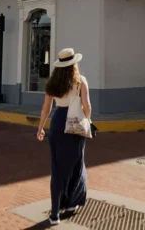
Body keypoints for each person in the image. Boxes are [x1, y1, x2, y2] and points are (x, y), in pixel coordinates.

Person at [37, 48, 92, 226]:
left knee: (57, 169)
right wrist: (88, 120)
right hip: (74, 124)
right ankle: (71, 203)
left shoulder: (52, 83)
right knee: (76, 164)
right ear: (73, 64)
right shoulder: (80, 81)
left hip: (57, 123)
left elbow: (46, 107)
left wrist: (40, 128)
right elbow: (87, 106)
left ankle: (55, 214)